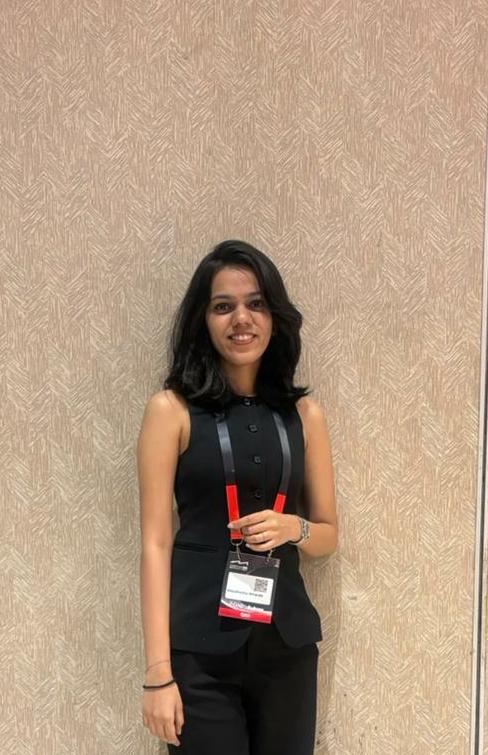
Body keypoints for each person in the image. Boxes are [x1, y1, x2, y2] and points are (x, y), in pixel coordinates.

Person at [137, 239, 338, 754]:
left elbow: (328, 536)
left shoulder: (305, 416)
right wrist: (158, 674)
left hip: (287, 648)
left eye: (256, 304)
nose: (241, 319)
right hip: (199, 654)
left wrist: (295, 528)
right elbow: (156, 543)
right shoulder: (171, 411)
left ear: (275, 318)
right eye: (223, 306)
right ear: (202, 320)